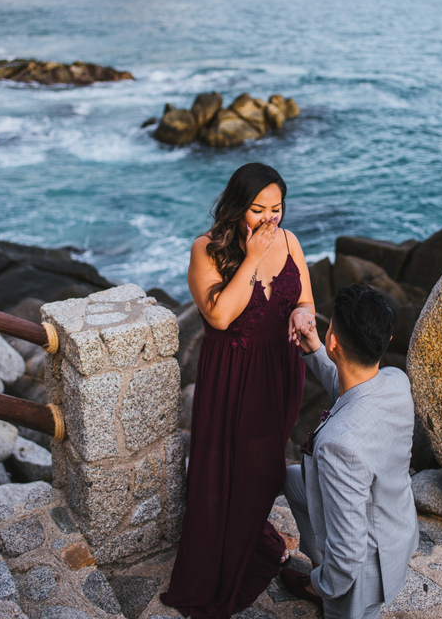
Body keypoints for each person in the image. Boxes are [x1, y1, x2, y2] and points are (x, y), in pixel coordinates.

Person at [160, 162, 315, 618]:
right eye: (259, 209)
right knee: (227, 469)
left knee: (265, 472)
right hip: (232, 375)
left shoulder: (289, 241)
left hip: (281, 371)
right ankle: (226, 554)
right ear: (236, 207)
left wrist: (302, 315)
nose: (270, 219)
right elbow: (221, 316)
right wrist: (250, 258)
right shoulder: (205, 250)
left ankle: (250, 534)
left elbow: (304, 297)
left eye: (278, 209)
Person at [280, 284, 418, 619]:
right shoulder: (396, 381)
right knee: (291, 480)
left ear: (334, 341)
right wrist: (313, 348)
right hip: (397, 527)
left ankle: (322, 588)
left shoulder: (340, 445)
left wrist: (322, 585)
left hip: (364, 576)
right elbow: (352, 393)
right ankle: (318, 561)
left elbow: (349, 553)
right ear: (385, 341)